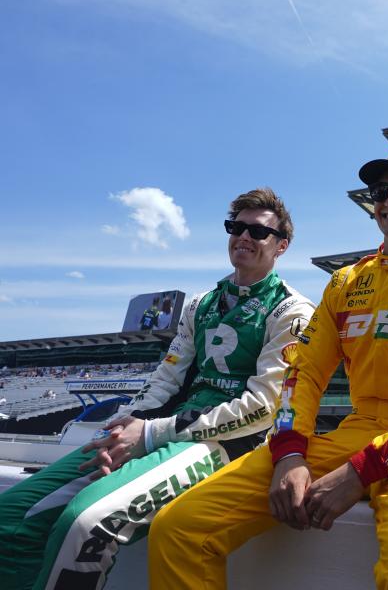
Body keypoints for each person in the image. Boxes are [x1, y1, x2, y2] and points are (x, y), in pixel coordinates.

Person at [148, 150, 388, 589]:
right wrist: (290, 454)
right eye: (381, 191)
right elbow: (303, 374)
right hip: (353, 434)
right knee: (179, 527)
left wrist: (361, 472)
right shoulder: (345, 282)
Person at [0, 188, 314, 590]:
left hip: (230, 442)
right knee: (10, 515)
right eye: (236, 227)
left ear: (282, 246)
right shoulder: (200, 304)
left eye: (258, 231)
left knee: (88, 522)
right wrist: (122, 426)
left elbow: (263, 407)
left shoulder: (291, 310)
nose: (245, 237)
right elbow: (165, 380)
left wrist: (150, 432)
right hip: (168, 428)